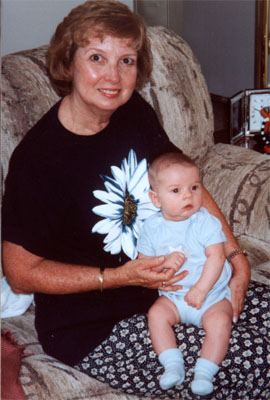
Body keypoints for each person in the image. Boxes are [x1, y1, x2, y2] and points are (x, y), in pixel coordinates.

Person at [2, 0, 249, 386]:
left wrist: (236, 258)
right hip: (93, 326)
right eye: (97, 58)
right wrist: (118, 277)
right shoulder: (39, 160)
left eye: (127, 61)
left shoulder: (132, 111)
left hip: (180, 292)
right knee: (248, 364)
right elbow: (20, 274)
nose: (113, 77)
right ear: (68, 64)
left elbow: (185, 185)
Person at [137, 152, 233, 395]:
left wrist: (201, 289)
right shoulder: (151, 227)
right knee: (156, 315)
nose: (188, 195)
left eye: (193, 187)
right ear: (155, 199)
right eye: (176, 191)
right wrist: (163, 262)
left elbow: (217, 257)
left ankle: (204, 372)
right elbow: (143, 264)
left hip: (211, 296)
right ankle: (172, 365)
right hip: (175, 298)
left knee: (221, 322)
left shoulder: (206, 222)